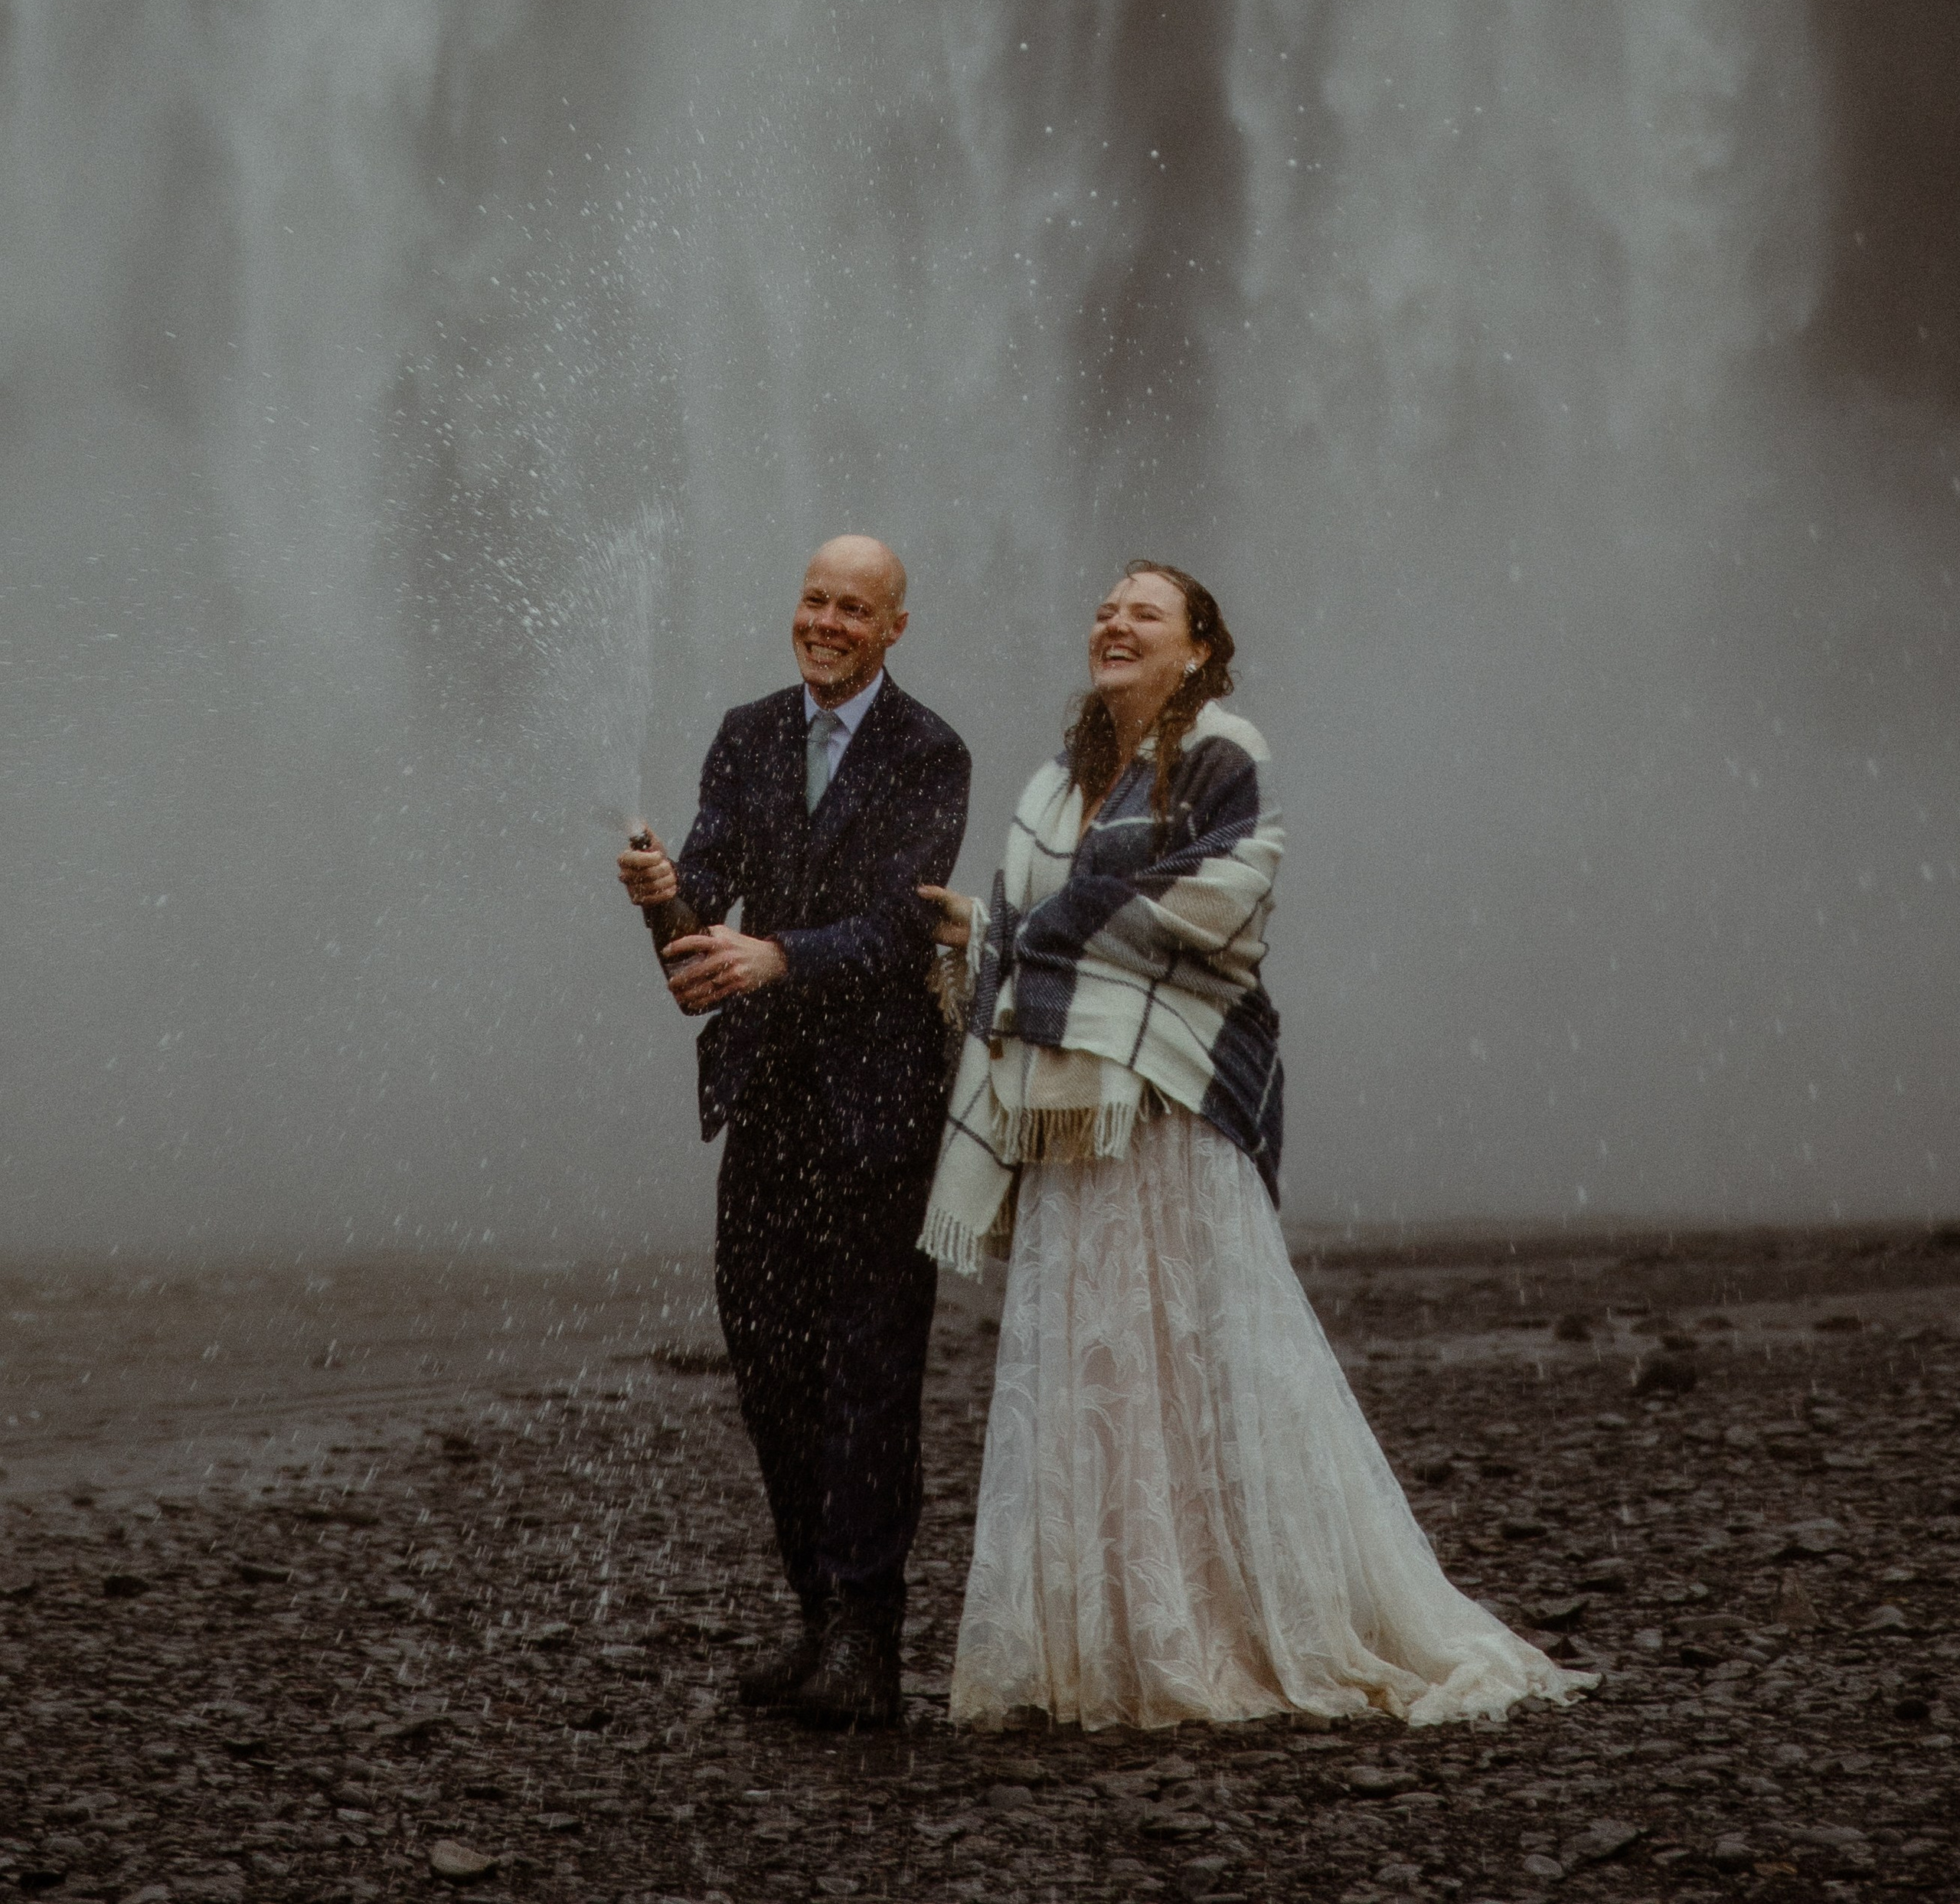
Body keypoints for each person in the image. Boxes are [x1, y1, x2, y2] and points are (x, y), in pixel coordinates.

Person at [917, 560, 1592, 1732]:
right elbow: (1034, 923)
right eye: (1106, 609)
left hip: (1170, 1108)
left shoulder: (1226, 752)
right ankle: (1118, 1641)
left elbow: (1221, 903)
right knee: (1098, 1370)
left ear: (1198, 649)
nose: (1115, 622)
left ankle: (1225, 1621)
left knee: (1201, 1361)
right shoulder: (1060, 781)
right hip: (1073, 1112)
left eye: (1146, 612)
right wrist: (986, 930)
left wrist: (1038, 928)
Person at [619, 535, 969, 1730]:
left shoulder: (931, 750)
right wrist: (663, 895)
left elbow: (905, 927)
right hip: (765, 1095)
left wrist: (780, 957)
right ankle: (818, 1615)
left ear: (895, 628)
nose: (827, 622)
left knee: (870, 1367)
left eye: (855, 608)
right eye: (815, 600)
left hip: (879, 1106)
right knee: (768, 1357)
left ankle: (869, 1639)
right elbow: (702, 921)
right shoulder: (747, 732)